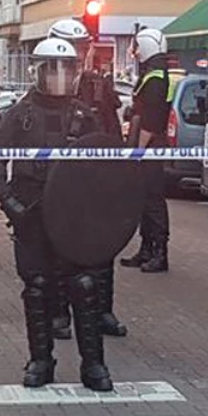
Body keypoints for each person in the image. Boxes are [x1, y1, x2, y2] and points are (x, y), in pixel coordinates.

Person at [0, 36, 114, 392]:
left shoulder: (84, 116)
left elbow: (103, 166)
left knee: (84, 286)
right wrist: (10, 204)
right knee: (37, 288)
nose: (57, 76)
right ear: (37, 72)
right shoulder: (20, 115)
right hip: (31, 211)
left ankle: (94, 364)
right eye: (50, 69)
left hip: (73, 216)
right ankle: (41, 359)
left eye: (64, 69)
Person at [73, 24, 128, 338]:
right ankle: (59, 314)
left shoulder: (98, 87)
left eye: (84, 47)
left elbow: (110, 128)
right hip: (65, 186)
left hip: (98, 179)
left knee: (103, 251)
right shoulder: (45, 97)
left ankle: (103, 310)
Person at [120, 28, 174, 274]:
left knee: (153, 200)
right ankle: (146, 249)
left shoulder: (156, 78)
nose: (135, 52)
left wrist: (139, 151)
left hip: (150, 146)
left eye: (137, 47)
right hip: (146, 144)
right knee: (144, 199)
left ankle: (159, 253)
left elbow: (151, 119)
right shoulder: (153, 73)